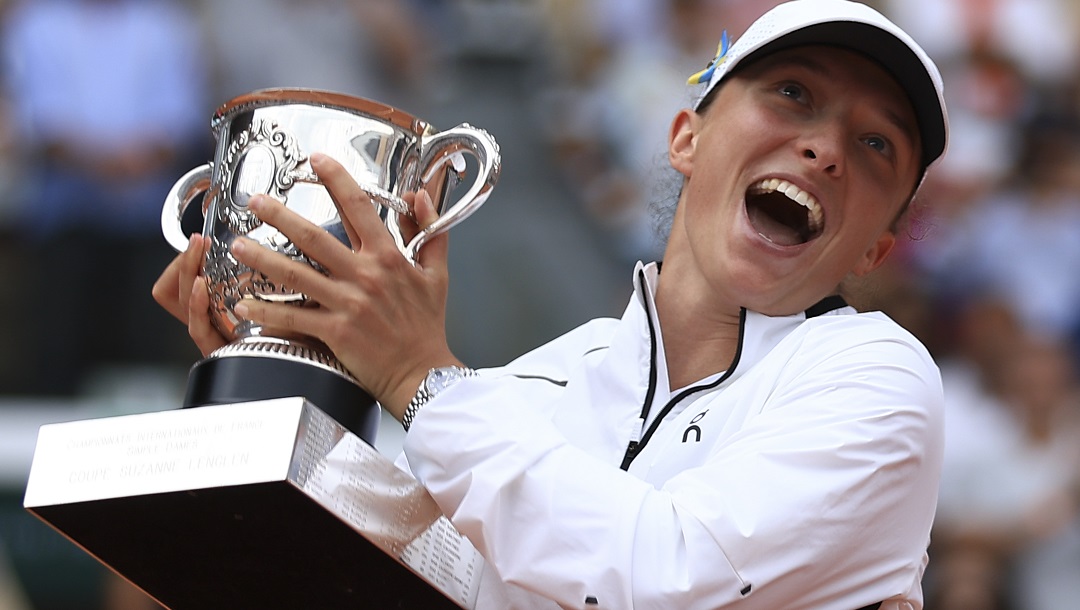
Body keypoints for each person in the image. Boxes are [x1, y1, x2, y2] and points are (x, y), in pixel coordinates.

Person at [154, 0, 949, 607]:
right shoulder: (528, 387)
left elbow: (668, 579)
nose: (827, 149)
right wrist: (269, 363)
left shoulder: (877, 377)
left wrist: (414, 374)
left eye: (877, 143)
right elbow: (349, 576)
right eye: (792, 94)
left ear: (878, 248)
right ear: (686, 139)